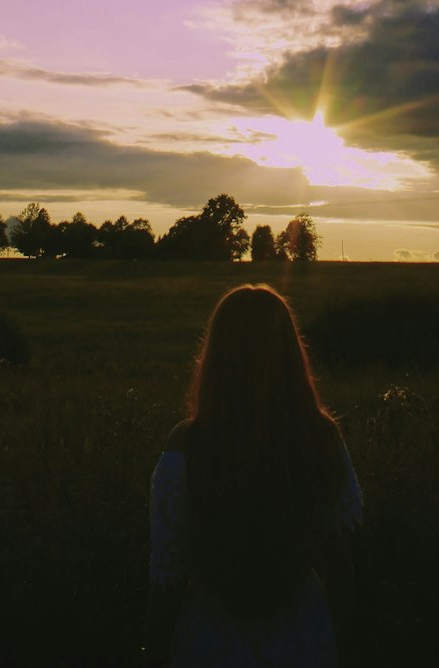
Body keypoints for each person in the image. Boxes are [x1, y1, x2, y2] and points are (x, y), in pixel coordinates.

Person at [145, 283, 362, 667]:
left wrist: (155, 651)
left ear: (216, 357)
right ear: (291, 355)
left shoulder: (188, 445)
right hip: (303, 639)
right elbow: (342, 565)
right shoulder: (322, 438)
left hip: (210, 643)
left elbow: (168, 573)